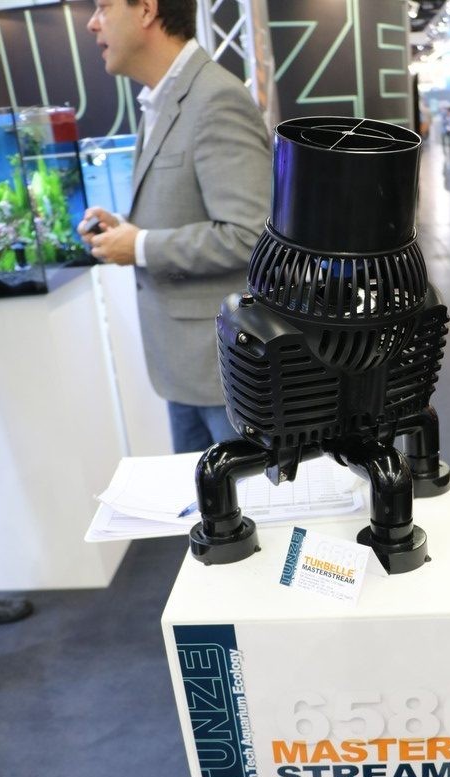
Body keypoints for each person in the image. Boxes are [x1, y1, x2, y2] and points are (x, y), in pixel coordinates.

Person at [78, 0, 271, 453]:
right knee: (202, 493)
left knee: (238, 495)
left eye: (103, 7)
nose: (92, 23)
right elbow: (190, 213)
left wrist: (140, 246)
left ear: (146, 10)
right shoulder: (162, 99)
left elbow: (251, 235)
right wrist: (126, 231)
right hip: (186, 365)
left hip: (222, 371)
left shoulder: (214, 98)